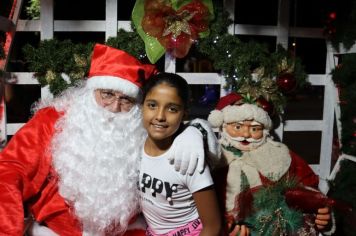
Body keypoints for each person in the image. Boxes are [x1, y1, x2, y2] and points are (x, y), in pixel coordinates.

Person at [0, 44, 215, 236]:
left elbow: (172, 125)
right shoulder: (54, 120)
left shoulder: (139, 127)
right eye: (107, 94)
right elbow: (9, 170)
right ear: (91, 91)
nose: (114, 108)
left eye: (126, 100)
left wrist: (196, 131)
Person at [207, 92, 335, 236]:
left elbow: (308, 186)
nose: (246, 134)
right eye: (237, 127)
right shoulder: (211, 158)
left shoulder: (279, 155)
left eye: (254, 129)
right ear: (223, 125)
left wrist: (320, 214)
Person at [139, 72, 221, 236]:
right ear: (141, 106)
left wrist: (194, 132)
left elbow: (213, 226)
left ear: (184, 114)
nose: (160, 116)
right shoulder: (135, 144)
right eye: (152, 105)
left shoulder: (188, 158)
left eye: (172, 109)